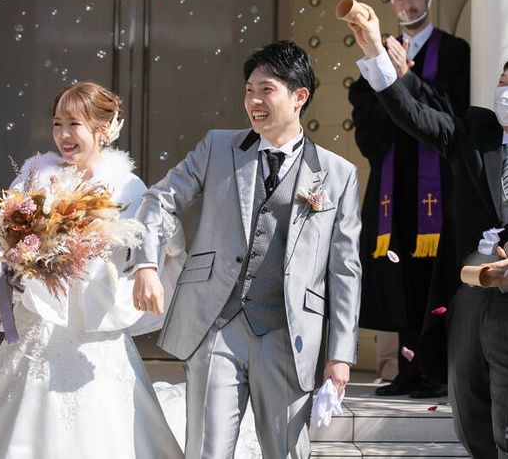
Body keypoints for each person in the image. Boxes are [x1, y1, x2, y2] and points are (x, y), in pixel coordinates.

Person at [131, 40, 362, 459]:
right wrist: (146, 265)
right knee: (207, 451)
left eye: (266, 90)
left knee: (286, 452)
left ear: (299, 96)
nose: (254, 101)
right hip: (215, 324)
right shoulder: (218, 148)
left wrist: (340, 354)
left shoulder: (337, 173)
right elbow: (159, 199)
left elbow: (345, 270)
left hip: (288, 333)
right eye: (249, 90)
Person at [0, 82, 183, 459]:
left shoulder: (126, 186)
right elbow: (2, 237)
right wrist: (20, 257)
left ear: (103, 128)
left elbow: (153, 240)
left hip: (93, 324)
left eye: (74, 124)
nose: (64, 135)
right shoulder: (34, 177)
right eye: (57, 123)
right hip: (39, 316)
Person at [351, 6, 508, 459]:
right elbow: (412, 113)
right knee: (469, 405)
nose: (504, 90)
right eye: (503, 80)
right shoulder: (473, 131)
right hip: (469, 294)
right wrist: (374, 51)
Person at [348, 0, 470, 397]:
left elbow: (454, 112)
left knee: (433, 277)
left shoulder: (454, 52)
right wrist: (384, 72)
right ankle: (407, 369)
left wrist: (407, 80)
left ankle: (437, 371)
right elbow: (366, 124)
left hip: (436, 187)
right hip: (393, 184)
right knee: (397, 275)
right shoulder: (377, 52)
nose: (407, 5)